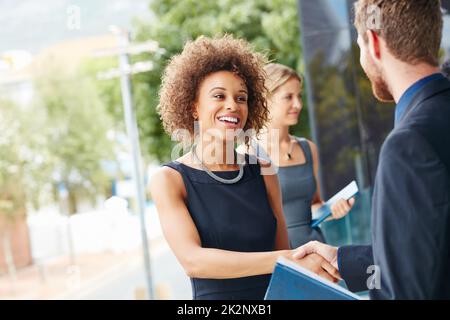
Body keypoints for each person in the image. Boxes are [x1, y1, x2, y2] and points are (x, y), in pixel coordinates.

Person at [149, 35, 339, 300]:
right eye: (219, 95)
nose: (232, 105)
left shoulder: (263, 171)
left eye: (241, 97)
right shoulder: (169, 180)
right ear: (193, 107)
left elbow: (284, 264)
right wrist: (289, 258)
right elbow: (194, 261)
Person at [295, 0, 450, 299]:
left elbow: (406, 290)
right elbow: (428, 255)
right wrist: (345, 261)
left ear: (375, 43)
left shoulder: (408, 144)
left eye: (360, 45)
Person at [244, 63, 355, 248]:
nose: (298, 104)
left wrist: (332, 209)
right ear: (265, 99)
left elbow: (313, 205)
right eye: (288, 97)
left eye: (299, 96)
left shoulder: (307, 148)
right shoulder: (247, 154)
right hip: (279, 257)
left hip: (317, 250)